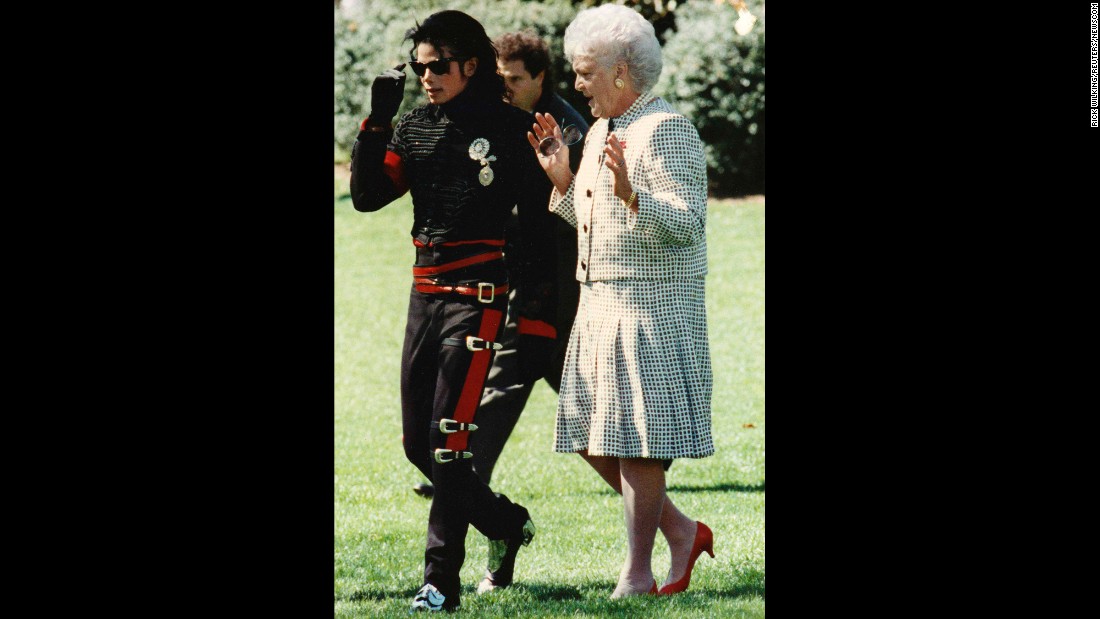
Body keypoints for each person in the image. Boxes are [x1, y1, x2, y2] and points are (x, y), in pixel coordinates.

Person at [348, 10, 554, 613]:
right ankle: (507, 523)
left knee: (449, 445)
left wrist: (536, 310)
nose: (428, 77)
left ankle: (440, 580)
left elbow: (541, 231)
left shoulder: (514, 130)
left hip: (481, 298)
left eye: (439, 66)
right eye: (420, 68)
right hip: (424, 294)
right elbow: (365, 197)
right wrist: (377, 121)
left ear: (470, 64)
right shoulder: (413, 127)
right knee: (419, 444)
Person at [526, 3, 715, 599]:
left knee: (636, 444)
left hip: (650, 313)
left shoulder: (668, 130)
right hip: (598, 306)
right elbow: (594, 221)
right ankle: (682, 532)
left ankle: (637, 573)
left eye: (584, 73)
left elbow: (687, 223)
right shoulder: (604, 132)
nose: (576, 84)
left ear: (620, 74)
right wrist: (563, 183)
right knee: (588, 435)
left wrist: (636, 195)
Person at [412, 30, 589, 507]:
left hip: (556, 274)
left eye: (514, 78)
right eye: (500, 78)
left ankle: (456, 476)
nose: (505, 86)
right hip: (524, 269)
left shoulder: (567, 128)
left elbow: (566, 210)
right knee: (551, 368)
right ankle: (644, 449)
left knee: (512, 368)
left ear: (540, 77)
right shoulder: (504, 121)